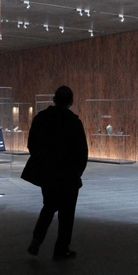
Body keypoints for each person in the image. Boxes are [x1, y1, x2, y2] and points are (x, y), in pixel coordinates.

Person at [22, 85, 88, 259]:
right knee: (67, 214)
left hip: (48, 173)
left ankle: (37, 238)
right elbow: (82, 152)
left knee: (49, 206)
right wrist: (77, 172)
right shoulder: (73, 122)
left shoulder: (41, 118)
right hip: (68, 175)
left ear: (54, 99)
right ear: (71, 101)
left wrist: (43, 163)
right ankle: (61, 248)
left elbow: (32, 145)